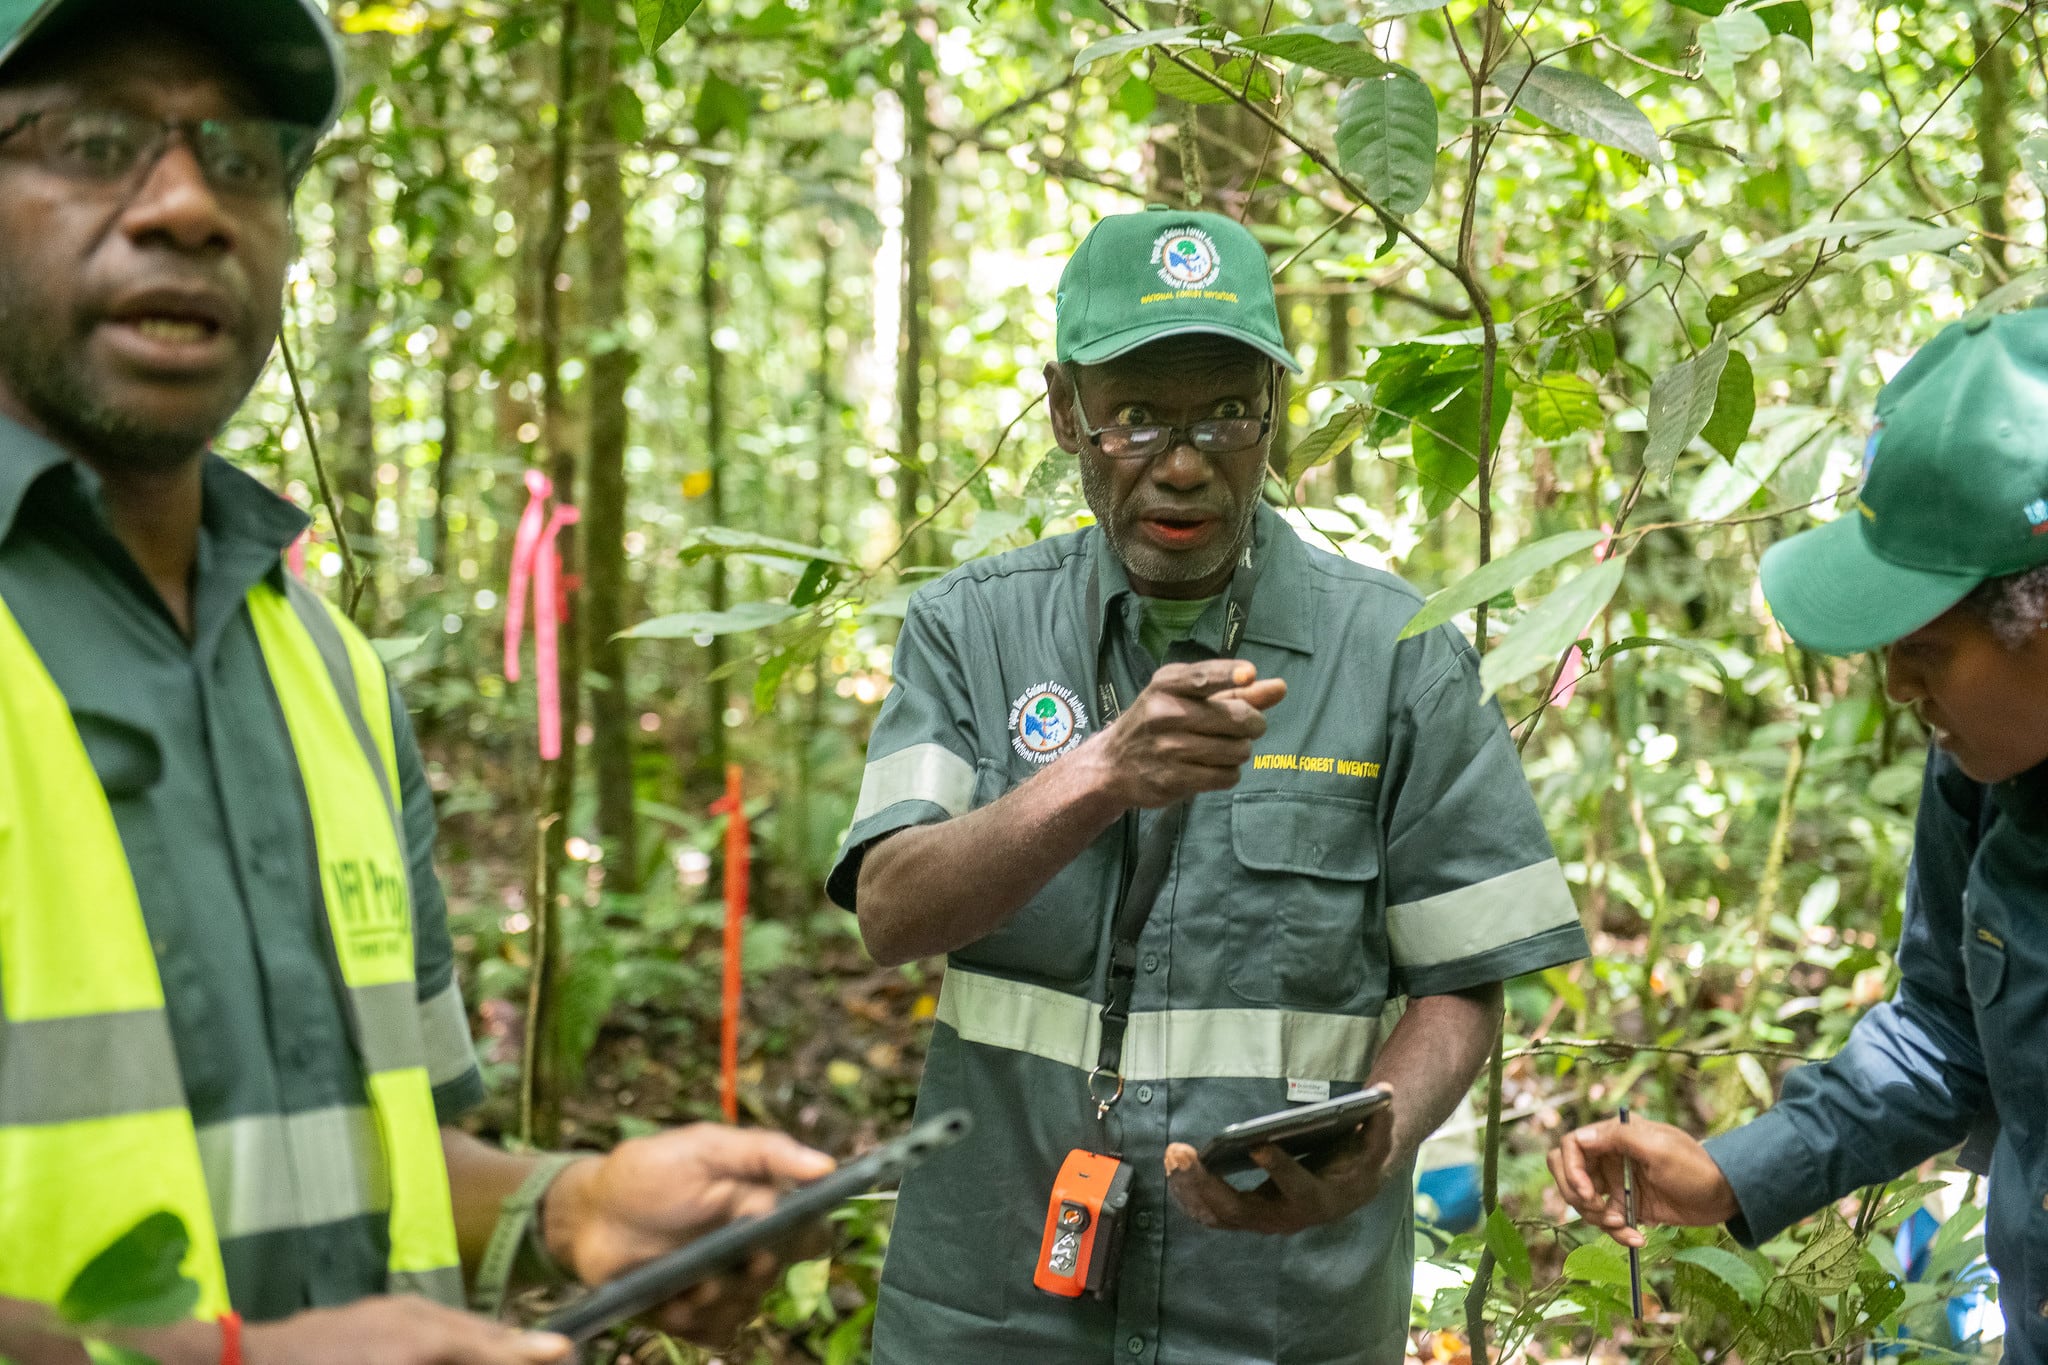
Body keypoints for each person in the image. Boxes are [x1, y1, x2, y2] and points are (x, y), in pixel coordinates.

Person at [0, 3, 833, 1362]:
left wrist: (571, 1206)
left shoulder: (323, 668)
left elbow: (362, 1151)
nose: (188, 205)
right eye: (96, 144)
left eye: (243, 158)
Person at [829, 206, 1592, 1363]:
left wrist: (1377, 1148)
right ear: (1064, 415)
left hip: (1280, 1302)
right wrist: (1096, 776)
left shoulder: (1394, 650)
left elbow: (1460, 981)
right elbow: (889, 910)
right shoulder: (966, 629)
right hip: (993, 1296)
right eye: (1136, 418)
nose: (1182, 463)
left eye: (1226, 413)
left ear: (1272, 417)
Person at [1547, 311, 2048, 1359]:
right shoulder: (1984, 774)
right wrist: (1736, 1169)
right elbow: (1946, 1034)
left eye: (1921, 647)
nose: (1896, 689)